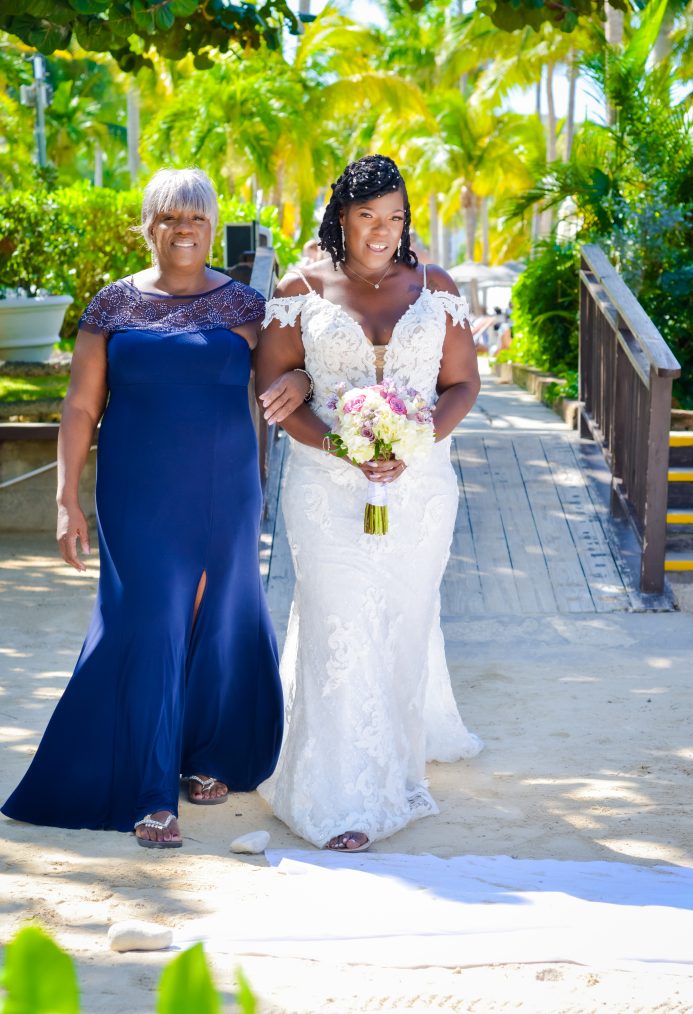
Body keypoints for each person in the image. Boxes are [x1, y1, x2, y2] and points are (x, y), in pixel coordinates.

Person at [2, 169, 310, 848]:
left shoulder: (245, 306)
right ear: (149, 226)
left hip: (226, 488)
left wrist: (300, 374)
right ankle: (149, 792)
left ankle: (206, 755)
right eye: (170, 217)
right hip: (138, 492)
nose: (184, 229)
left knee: (217, 616)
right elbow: (79, 406)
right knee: (149, 622)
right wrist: (65, 500)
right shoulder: (113, 304)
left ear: (211, 227)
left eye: (196, 218)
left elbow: (288, 373)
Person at [255, 155, 483, 852]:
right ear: (341, 218)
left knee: (402, 624)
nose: (382, 231)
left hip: (420, 491)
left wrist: (418, 441)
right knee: (339, 623)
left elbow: (462, 385)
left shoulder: (437, 288)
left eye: (395, 217)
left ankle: (395, 771)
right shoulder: (299, 290)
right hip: (325, 489)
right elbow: (274, 395)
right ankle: (337, 796)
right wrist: (338, 445)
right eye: (366, 216)